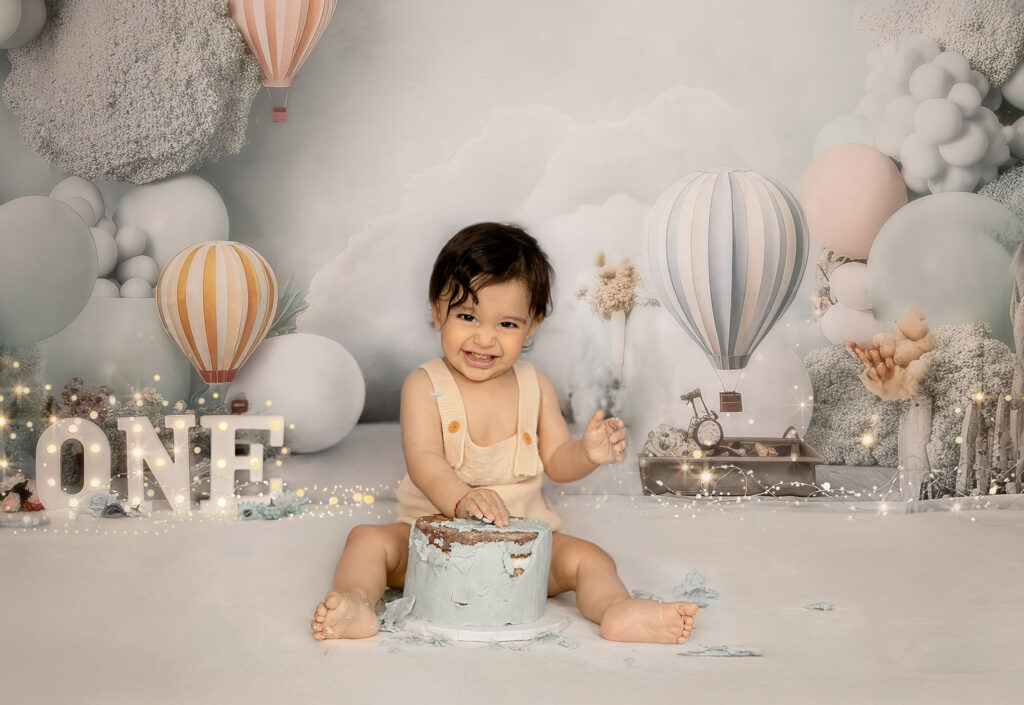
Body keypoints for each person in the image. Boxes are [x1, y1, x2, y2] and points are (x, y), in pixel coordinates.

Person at [311, 222, 698, 643]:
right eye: (466, 316)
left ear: (532, 326)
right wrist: (461, 499)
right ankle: (356, 603)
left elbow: (556, 462)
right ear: (437, 311)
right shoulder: (425, 386)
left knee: (590, 558)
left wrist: (586, 453)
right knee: (367, 540)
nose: (484, 338)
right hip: (432, 547)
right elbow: (424, 460)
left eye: (507, 325)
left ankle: (618, 610)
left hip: (523, 553)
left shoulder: (536, 386)